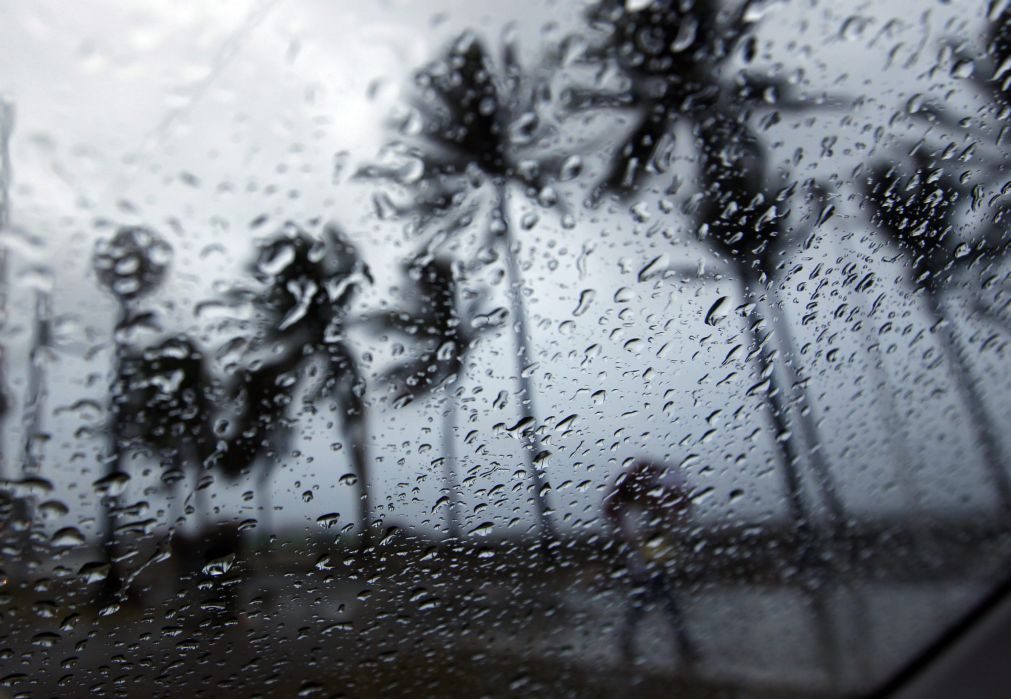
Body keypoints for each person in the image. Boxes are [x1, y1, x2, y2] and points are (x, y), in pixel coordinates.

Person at [604, 458, 699, 666]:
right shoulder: (639, 504)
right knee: (663, 603)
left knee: (648, 603)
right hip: (645, 563)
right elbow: (629, 529)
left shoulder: (649, 503)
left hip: (653, 561)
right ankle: (684, 646)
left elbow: (669, 525)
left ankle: (628, 641)